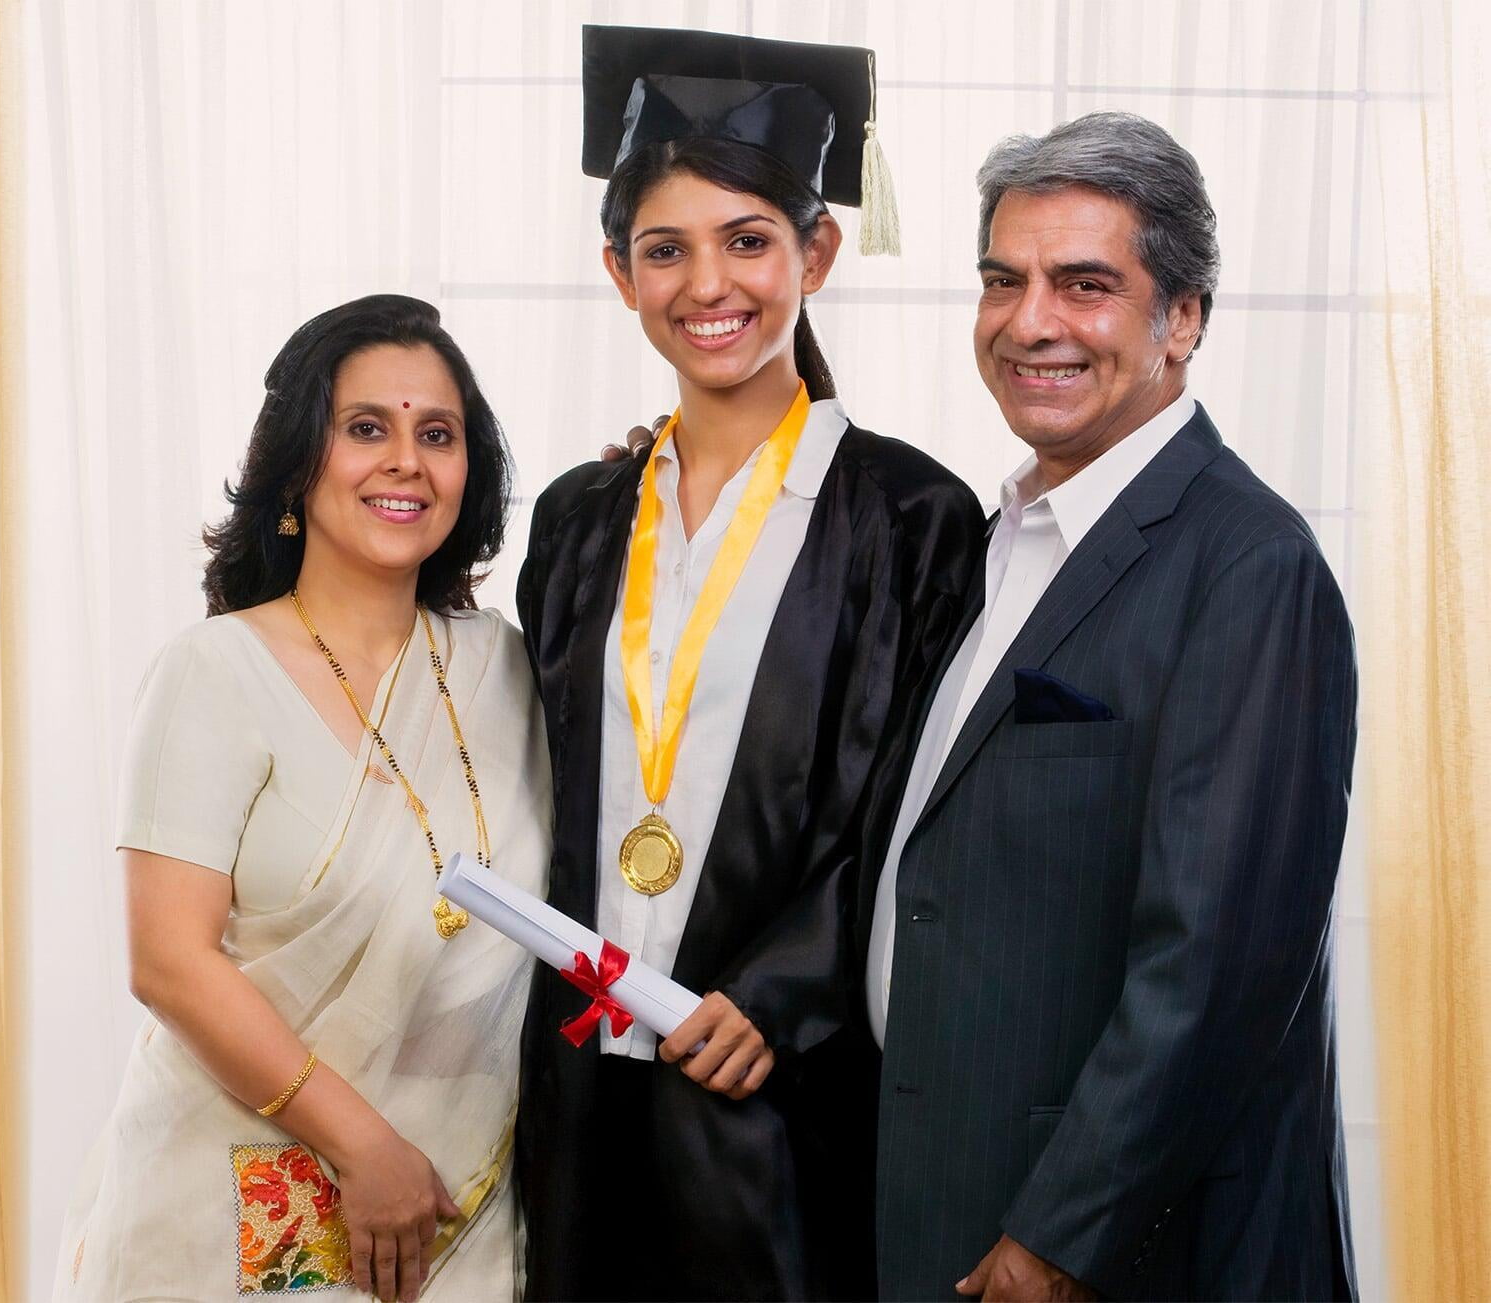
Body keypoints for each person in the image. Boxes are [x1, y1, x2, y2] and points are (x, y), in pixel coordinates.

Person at [514, 25, 986, 1303]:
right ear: (618, 273)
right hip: (578, 1083)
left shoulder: (910, 517)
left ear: (814, 252)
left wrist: (784, 988)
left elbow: (912, 812)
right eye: (663, 248)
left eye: (746, 240)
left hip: (779, 1088)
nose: (704, 283)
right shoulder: (576, 520)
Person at [869, 113, 1359, 1301]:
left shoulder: (1249, 566)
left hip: (1117, 1248)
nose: (1029, 321)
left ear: (1180, 317)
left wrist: (1059, 1237)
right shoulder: (994, 543)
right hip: (946, 1197)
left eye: (1084, 284)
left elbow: (1215, 962)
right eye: (1003, 280)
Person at [54, 295, 550, 1303]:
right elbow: (169, 960)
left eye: (437, 433)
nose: (405, 459)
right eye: (365, 427)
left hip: (462, 1202)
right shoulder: (214, 671)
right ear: (296, 465)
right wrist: (362, 1145)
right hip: (238, 1200)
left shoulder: (505, 666)